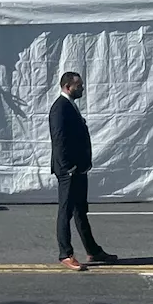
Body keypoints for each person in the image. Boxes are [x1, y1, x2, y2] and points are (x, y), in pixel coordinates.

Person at [49, 72, 117, 271]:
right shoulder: (59, 108)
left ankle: (93, 250)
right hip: (68, 171)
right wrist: (67, 167)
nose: (83, 89)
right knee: (66, 211)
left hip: (78, 169)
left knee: (80, 211)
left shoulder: (70, 105)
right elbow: (59, 139)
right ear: (68, 87)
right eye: (79, 86)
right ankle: (65, 254)